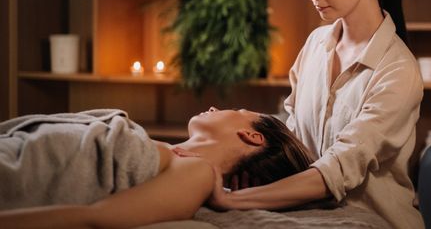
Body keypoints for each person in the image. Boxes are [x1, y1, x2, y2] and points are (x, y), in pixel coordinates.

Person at [208, 0, 425, 229]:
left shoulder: (397, 71)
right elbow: (293, 134)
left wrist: (231, 200)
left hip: (372, 222)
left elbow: (337, 169)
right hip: (311, 216)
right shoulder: (316, 44)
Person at [0, 107, 313, 228]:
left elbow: (94, 218)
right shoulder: (162, 150)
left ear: (252, 136)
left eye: (237, 110)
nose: (218, 107)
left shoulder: (197, 173)